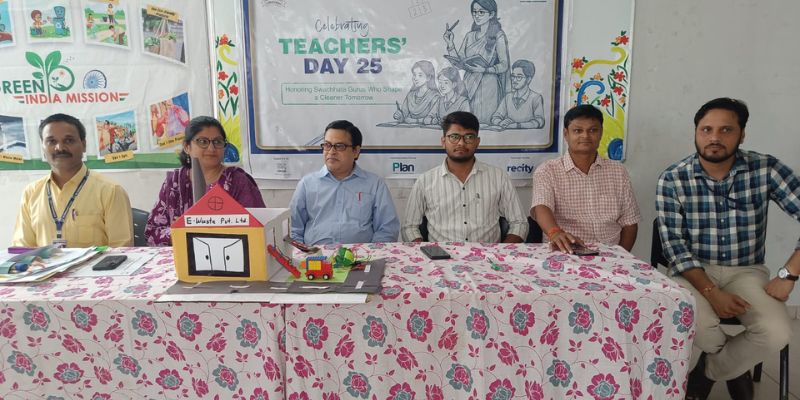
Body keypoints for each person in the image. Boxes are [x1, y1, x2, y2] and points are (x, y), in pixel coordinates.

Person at [656, 98, 799, 400]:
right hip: (692, 271)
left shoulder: (766, 169)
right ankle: (735, 367)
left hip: (746, 271)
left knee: (778, 332)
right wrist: (712, 293)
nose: (715, 138)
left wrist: (789, 274)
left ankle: (709, 370)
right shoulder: (673, 178)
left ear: (742, 134)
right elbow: (675, 247)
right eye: (706, 129)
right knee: (693, 321)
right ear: (696, 132)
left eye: (726, 129)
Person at [402, 111, 527, 242]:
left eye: (469, 137)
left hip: (487, 254)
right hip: (440, 254)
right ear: (443, 141)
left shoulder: (499, 177)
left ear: (477, 142)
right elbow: (409, 227)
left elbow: (519, 223)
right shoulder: (425, 181)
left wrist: (502, 252)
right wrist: (427, 252)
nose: (461, 143)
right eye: (454, 137)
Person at [12, 113, 133, 248]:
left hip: (97, 263)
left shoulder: (110, 191)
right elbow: (22, 249)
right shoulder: (31, 193)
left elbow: (122, 250)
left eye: (68, 140)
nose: (60, 148)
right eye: (51, 141)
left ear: (84, 145)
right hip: (44, 263)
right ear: (43, 148)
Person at [531, 104, 639, 252]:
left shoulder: (618, 172)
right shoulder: (547, 171)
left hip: (610, 253)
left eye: (593, 130)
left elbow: (630, 223)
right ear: (566, 134)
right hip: (566, 252)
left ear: (601, 133)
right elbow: (541, 207)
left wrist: (621, 256)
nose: (585, 136)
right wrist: (555, 233)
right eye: (578, 131)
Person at [145, 116, 265, 246]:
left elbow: (258, 230)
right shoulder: (174, 182)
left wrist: (207, 229)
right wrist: (177, 233)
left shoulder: (237, 181)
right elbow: (151, 232)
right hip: (181, 256)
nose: (211, 148)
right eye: (202, 141)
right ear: (187, 147)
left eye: (218, 142)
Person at [290, 120, 399, 245]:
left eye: (339, 146)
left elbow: (387, 229)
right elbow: (293, 230)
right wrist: (303, 253)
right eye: (327, 145)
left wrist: (370, 253)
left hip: (361, 255)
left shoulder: (375, 185)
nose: (331, 152)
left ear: (356, 151)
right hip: (315, 254)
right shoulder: (307, 184)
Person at [443, 0, 509, 124]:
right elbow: (459, 63)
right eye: (474, 12)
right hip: (469, 83)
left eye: (481, 12)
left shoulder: (498, 35)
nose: (476, 15)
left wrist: (484, 69)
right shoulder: (469, 36)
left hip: (488, 85)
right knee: (468, 121)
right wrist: (450, 44)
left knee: (485, 122)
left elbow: (504, 65)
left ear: (491, 14)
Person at [490, 59, 545, 129]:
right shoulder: (508, 97)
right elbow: (495, 117)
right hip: (508, 134)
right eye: (513, 76)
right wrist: (500, 122)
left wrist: (517, 125)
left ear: (528, 80)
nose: (514, 80)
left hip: (528, 135)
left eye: (519, 77)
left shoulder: (536, 98)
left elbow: (540, 121)